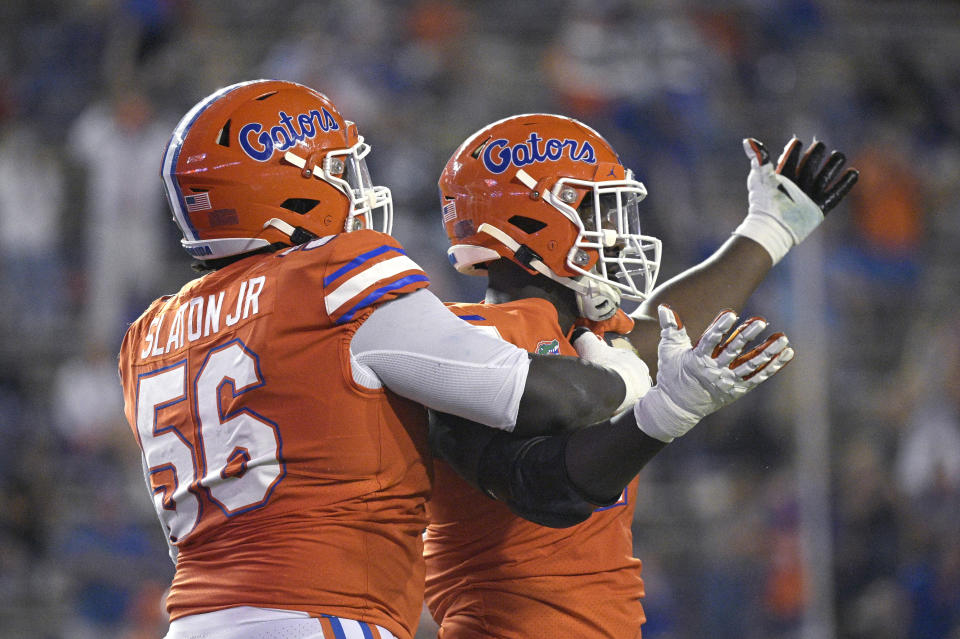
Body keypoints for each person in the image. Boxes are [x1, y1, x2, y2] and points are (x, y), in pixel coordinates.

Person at [118, 80, 746, 639]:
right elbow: (546, 397)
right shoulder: (329, 276)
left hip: (195, 617)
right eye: (336, 172)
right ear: (288, 185)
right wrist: (635, 375)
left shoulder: (147, 334)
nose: (353, 192)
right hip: (318, 612)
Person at [423, 114, 858, 638]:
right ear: (531, 221)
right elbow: (547, 489)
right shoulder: (467, 342)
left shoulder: (587, 336)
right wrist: (665, 412)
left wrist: (769, 227)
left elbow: (660, 327)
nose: (615, 229)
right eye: (594, 207)